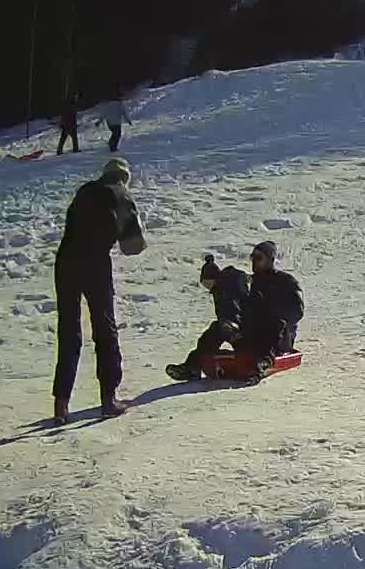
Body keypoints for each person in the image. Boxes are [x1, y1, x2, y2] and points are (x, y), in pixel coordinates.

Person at [52, 157, 144, 424]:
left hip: (66, 261)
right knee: (105, 329)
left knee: (68, 330)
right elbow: (132, 246)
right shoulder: (122, 197)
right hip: (94, 264)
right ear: (124, 178)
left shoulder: (84, 190)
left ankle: (61, 404)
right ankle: (109, 399)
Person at [165, 254, 249, 382]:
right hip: (230, 325)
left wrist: (230, 324)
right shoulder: (219, 289)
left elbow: (235, 310)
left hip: (244, 327)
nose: (206, 286)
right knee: (211, 334)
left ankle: (248, 361)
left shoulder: (227, 287)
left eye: (206, 283)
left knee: (222, 328)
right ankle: (192, 367)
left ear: (212, 279)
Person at [239, 241, 303, 384]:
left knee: (275, 323)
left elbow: (297, 311)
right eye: (253, 258)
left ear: (270, 260)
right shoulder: (249, 282)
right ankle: (193, 365)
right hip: (255, 335)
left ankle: (262, 365)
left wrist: (270, 309)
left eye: (259, 258)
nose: (254, 262)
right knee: (220, 325)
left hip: (280, 339)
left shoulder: (285, 281)